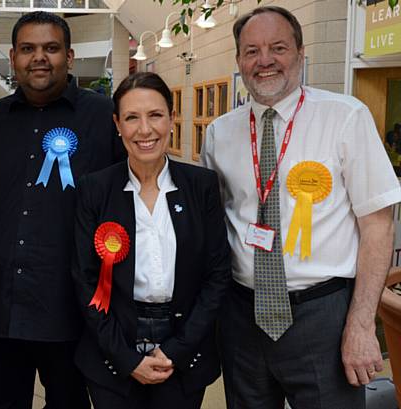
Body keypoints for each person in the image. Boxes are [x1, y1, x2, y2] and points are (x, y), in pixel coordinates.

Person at [201, 6, 401, 409]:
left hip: (323, 315)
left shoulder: (346, 117)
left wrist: (362, 325)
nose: (265, 61)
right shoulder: (220, 133)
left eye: (278, 47)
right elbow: (214, 227)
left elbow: (378, 225)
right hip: (242, 315)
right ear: (239, 60)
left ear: (300, 52)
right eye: (252, 51)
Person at [0, 11, 125, 409]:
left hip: (75, 315)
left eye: (51, 48)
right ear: (13, 56)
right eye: (29, 49)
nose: (39, 58)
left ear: (69, 56)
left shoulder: (105, 120)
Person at [72, 72, 231, 409]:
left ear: (172, 119)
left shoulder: (201, 185)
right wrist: (126, 358)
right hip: (112, 351)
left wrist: (176, 350)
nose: (145, 130)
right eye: (132, 117)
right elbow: (85, 280)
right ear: (117, 124)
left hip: (183, 349)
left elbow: (217, 275)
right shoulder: (95, 189)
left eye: (155, 115)